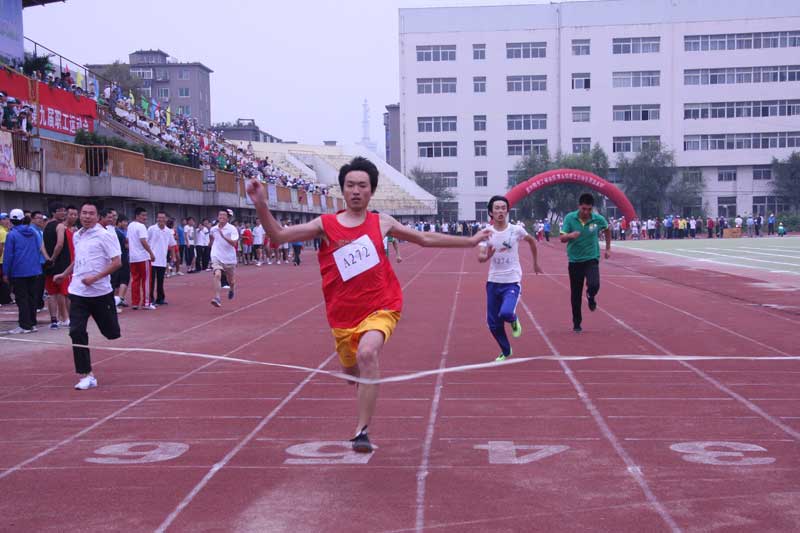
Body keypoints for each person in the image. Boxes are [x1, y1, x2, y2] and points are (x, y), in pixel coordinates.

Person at [246, 156, 491, 453]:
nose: (356, 191)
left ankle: (361, 431)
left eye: (362, 185)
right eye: (350, 185)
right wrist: (261, 204)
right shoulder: (325, 225)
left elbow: (424, 238)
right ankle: (355, 374)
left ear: (371, 191)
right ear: (342, 190)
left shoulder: (381, 222)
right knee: (352, 373)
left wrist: (469, 241)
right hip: (342, 315)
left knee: (368, 353)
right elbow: (278, 236)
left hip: (382, 305)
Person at [60, 202, 122, 390]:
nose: (87, 216)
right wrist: (64, 274)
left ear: (97, 217)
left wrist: (95, 278)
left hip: (101, 293)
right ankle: (86, 374)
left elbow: (117, 262)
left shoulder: (105, 235)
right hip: (78, 292)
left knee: (112, 333)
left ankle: (113, 312)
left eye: (91, 213)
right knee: (76, 331)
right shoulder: (77, 235)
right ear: (80, 215)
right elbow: (77, 260)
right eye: (84, 213)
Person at [477, 196, 542, 362]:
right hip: (493, 281)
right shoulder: (486, 233)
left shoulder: (517, 230)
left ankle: (513, 320)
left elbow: (532, 241)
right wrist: (487, 256)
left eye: (503, 208)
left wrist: (535, 263)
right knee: (493, 324)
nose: (500, 211)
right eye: (497, 208)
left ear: (507, 211)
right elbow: (480, 257)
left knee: (506, 312)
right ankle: (506, 351)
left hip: (512, 280)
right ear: (491, 212)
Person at [559, 193, 611, 333]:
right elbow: (562, 238)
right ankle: (577, 322)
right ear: (579, 206)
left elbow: (607, 230)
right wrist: (571, 235)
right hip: (575, 260)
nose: (586, 212)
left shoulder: (597, 219)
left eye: (589, 209)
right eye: (584, 209)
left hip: (591, 258)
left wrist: (608, 248)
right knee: (576, 293)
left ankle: (590, 295)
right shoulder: (570, 218)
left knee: (594, 284)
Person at [2, 209, 47, 334]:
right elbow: (38, 248)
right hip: (34, 269)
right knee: (32, 297)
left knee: (22, 299)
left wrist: (6, 272)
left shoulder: (11, 235)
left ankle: (24, 325)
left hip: (18, 271)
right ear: (23, 219)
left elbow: (8, 255)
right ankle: (32, 324)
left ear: (11, 220)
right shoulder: (33, 232)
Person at [43, 202, 72, 328]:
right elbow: (60, 244)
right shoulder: (60, 226)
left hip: (49, 264)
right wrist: (53, 258)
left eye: (64, 210)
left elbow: (42, 246)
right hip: (61, 263)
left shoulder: (46, 226)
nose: (63, 213)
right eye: (60, 210)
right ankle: (66, 318)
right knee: (62, 292)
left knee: (51, 293)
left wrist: (48, 259)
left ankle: (54, 320)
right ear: (53, 212)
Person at [127, 207, 157, 310]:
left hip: (133, 258)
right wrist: (151, 253)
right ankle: (146, 303)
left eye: (146, 215)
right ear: (137, 216)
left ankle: (135, 302)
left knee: (135, 280)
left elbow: (128, 240)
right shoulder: (141, 226)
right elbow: (143, 241)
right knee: (146, 281)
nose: (145, 217)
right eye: (143, 215)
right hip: (143, 257)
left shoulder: (130, 225)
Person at [209, 209, 239, 307]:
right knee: (217, 274)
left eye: (224, 215)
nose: (221, 217)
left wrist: (223, 236)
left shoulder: (232, 229)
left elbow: (234, 243)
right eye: (220, 215)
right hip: (216, 255)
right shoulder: (213, 229)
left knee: (231, 281)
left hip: (229, 258)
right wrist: (210, 244)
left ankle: (232, 288)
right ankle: (217, 298)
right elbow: (211, 237)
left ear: (228, 218)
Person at [147, 212, 177, 305]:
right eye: (159, 217)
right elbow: (146, 242)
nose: (161, 219)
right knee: (151, 281)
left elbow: (172, 244)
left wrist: (173, 257)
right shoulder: (151, 229)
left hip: (162, 259)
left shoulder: (168, 231)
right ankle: (150, 299)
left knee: (160, 280)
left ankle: (160, 298)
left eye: (163, 218)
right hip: (151, 259)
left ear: (166, 219)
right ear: (157, 218)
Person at [112, 214, 130, 308]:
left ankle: (116, 299)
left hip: (116, 258)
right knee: (124, 279)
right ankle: (120, 299)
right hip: (122, 257)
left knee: (116, 280)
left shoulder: (115, 231)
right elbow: (126, 245)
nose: (126, 224)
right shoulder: (120, 233)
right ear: (119, 222)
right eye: (125, 222)